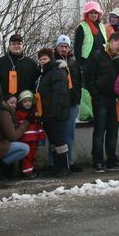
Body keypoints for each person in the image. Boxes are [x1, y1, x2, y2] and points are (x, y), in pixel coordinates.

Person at [86, 31, 119, 172]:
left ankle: (111, 160)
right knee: (99, 131)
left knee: (113, 132)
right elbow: (88, 77)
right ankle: (97, 161)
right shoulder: (97, 55)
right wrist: (95, 95)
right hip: (100, 99)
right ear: (112, 41)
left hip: (114, 100)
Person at [35, 48, 72, 176]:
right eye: (40, 59)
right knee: (54, 141)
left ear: (51, 59)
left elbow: (59, 94)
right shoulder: (44, 74)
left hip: (56, 114)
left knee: (60, 141)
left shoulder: (57, 72)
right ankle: (57, 166)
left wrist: (55, 112)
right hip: (47, 114)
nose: (42, 62)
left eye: (44, 59)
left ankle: (64, 167)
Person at [54, 36, 83, 171]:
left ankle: (69, 161)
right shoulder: (52, 62)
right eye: (61, 46)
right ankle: (55, 163)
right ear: (57, 47)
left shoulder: (73, 63)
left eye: (66, 46)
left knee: (70, 134)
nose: (64, 49)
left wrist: (77, 99)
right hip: (57, 105)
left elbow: (79, 82)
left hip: (72, 103)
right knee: (56, 134)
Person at [0, 94, 31, 174]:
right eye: (11, 103)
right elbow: (13, 137)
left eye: (15, 104)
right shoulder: (4, 114)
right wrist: (25, 123)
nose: (14, 105)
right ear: (5, 103)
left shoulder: (5, 112)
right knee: (24, 149)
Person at [73, 1, 108, 67]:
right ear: (87, 14)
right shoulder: (82, 26)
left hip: (101, 61)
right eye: (91, 13)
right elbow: (77, 48)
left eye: (95, 13)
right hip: (87, 61)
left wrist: (112, 55)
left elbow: (105, 42)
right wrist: (80, 64)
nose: (94, 15)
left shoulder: (102, 26)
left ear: (98, 14)